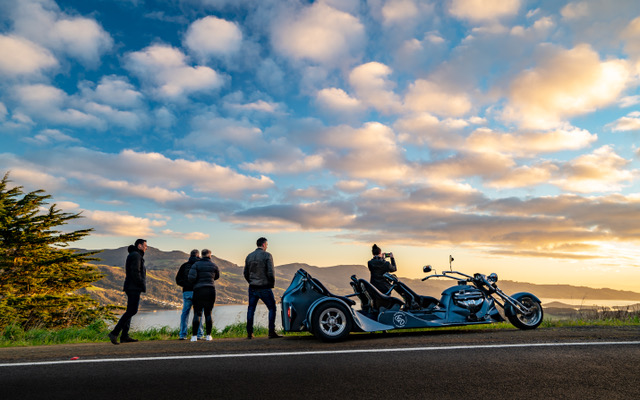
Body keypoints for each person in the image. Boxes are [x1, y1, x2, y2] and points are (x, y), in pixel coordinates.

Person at [108, 239, 147, 345]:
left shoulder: (135, 255)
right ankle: (114, 332)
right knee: (132, 311)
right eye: (145, 245)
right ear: (139, 246)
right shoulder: (136, 256)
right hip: (133, 287)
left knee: (130, 310)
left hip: (131, 286)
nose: (146, 247)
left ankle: (124, 335)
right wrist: (140, 284)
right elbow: (136, 272)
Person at [244, 237, 281, 339]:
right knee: (272, 308)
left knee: (251, 309)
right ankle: (271, 332)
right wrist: (271, 284)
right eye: (267, 245)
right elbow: (270, 272)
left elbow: (245, 273)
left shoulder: (249, 256)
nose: (267, 246)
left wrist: (251, 281)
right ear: (264, 245)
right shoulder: (267, 255)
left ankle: (249, 333)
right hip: (264, 287)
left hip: (252, 287)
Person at [187, 248, 219, 342]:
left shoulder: (196, 265)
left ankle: (194, 336)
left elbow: (191, 278)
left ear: (201, 255)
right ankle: (208, 336)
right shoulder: (214, 265)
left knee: (197, 313)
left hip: (198, 290)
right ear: (210, 255)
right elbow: (217, 276)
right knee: (208, 313)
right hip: (210, 290)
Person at [175, 249, 204, 340]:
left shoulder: (184, 266)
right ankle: (199, 334)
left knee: (185, 313)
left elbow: (178, 280)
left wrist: (186, 285)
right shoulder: (200, 265)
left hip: (187, 292)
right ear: (198, 256)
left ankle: (182, 334)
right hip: (198, 291)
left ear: (190, 256)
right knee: (198, 313)